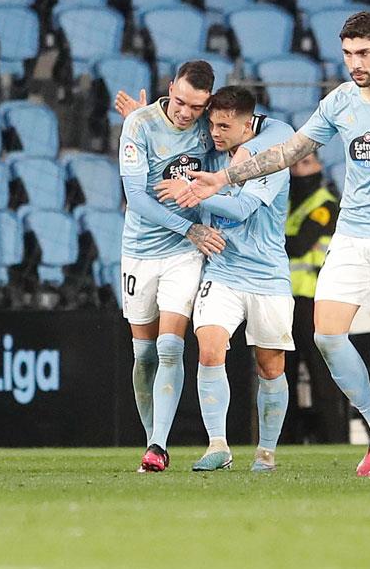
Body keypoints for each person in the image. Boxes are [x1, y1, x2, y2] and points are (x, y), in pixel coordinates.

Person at [174, 11, 370, 477]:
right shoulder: (341, 100)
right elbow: (288, 151)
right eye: (346, 54)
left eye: (363, 53)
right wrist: (225, 176)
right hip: (354, 232)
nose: (354, 63)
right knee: (325, 335)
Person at [142, 86, 296, 472]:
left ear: (249, 125)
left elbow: (243, 208)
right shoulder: (210, 153)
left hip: (267, 275)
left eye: (225, 125)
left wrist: (194, 193)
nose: (216, 132)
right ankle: (218, 445)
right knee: (209, 348)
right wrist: (141, 118)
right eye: (212, 123)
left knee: (270, 367)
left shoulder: (270, 158)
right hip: (223, 270)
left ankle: (266, 453)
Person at [117, 60, 225, 473]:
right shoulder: (139, 125)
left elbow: (260, 128)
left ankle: (159, 446)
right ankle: (151, 438)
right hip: (141, 251)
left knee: (169, 346)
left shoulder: (207, 127)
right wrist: (189, 228)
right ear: (169, 89)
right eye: (180, 102)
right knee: (143, 354)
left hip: (182, 254)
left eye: (196, 107)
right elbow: (138, 199)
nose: (185, 113)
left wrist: (191, 233)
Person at [283, 152, 345, 444]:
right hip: (284, 299)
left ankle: (333, 439)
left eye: (306, 163)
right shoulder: (285, 202)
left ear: (320, 166)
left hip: (314, 300)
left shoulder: (326, 205)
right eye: (294, 165)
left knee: (321, 374)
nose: (299, 171)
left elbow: (298, 244)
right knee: (283, 374)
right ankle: (286, 442)